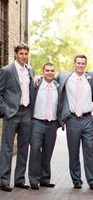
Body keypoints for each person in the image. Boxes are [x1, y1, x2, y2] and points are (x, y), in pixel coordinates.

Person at [57, 54, 93, 190]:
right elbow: (49, 78)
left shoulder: (91, 77)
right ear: (74, 63)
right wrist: (37, 77)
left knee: (90, 150)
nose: (80, 65)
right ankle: (76, 180)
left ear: (86, 65)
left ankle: (92, 180)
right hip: (72, 119)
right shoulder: (65, 77)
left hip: (87, 119)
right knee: (73, 151)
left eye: (83, 63)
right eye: (78, 63)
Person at [0, 44, 35, 192]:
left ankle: (19, 179)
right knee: (7, 148)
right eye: (21, 53)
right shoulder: (6, 71)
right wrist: (6, 111)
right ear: (15, 54)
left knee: (23, 148)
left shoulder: (30, 70)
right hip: (12, 113)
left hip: (26, 113)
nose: (24, 56)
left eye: (26, 53)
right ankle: (3, 181)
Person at [28, 63, 60, 190]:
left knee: (48, 152)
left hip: (52, 124)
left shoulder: (58, 85)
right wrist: (35, 77)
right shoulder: (36, 84)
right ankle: (34, 179)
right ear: (43, 71)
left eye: (52, 70)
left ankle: (45, 179)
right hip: (37, 122)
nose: (50, 72)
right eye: (47, 70)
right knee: (35, 150)